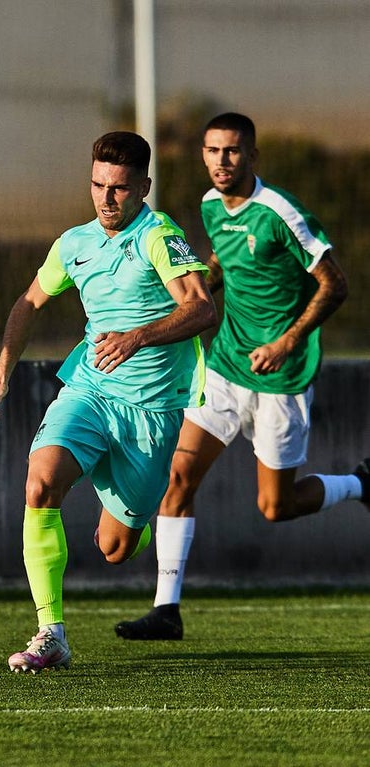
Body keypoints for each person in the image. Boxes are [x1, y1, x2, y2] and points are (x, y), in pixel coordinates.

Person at [115, 112, 366, 641]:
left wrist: (285, 342)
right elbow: (222, 266)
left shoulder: (280, 213)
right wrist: (198, 295)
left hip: (282, 376)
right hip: (226, 366)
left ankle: (361, 483)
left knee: (276, 506)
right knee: (178, 478)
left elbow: (335, 284)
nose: (221, 161)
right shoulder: (209, 207)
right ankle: (167, 610)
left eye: (231, 151)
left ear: (252, 156)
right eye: (212, 151)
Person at [0, 131, 217, 673]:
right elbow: (30, 301)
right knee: (40, 481)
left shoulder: (160, 237)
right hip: (90, 389)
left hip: (151, 412)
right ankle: (50, 632)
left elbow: (203, 310)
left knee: (114, 547)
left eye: (121, 189)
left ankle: (133, 521)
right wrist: (1, 378)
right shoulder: (74, 243)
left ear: (143, 188)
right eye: (98, 185)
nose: (107, 198)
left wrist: (136, 337)